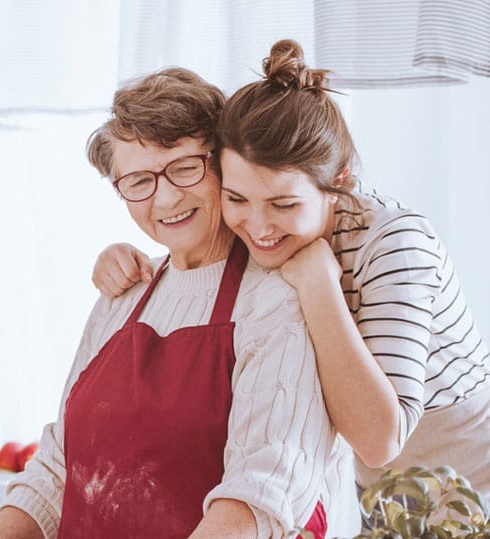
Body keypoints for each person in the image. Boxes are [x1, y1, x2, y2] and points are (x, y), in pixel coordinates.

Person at [0, 68, 345, 539]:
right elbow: (60, 467)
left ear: (222, 164)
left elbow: (263, 494)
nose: (166, 198)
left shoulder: (278, 300)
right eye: (139, 181)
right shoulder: (122, 295)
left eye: (185, 167)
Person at [92, 40, 490, 494]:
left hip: (468, 472)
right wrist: (119, 257)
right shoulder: (262, 237)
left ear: (337, 183)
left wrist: (319, 283)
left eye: (283, 203)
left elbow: (380, 440)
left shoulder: (395, 242)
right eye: (237, 199)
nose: (258, 226)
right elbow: (194, 246)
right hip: (381, 496)